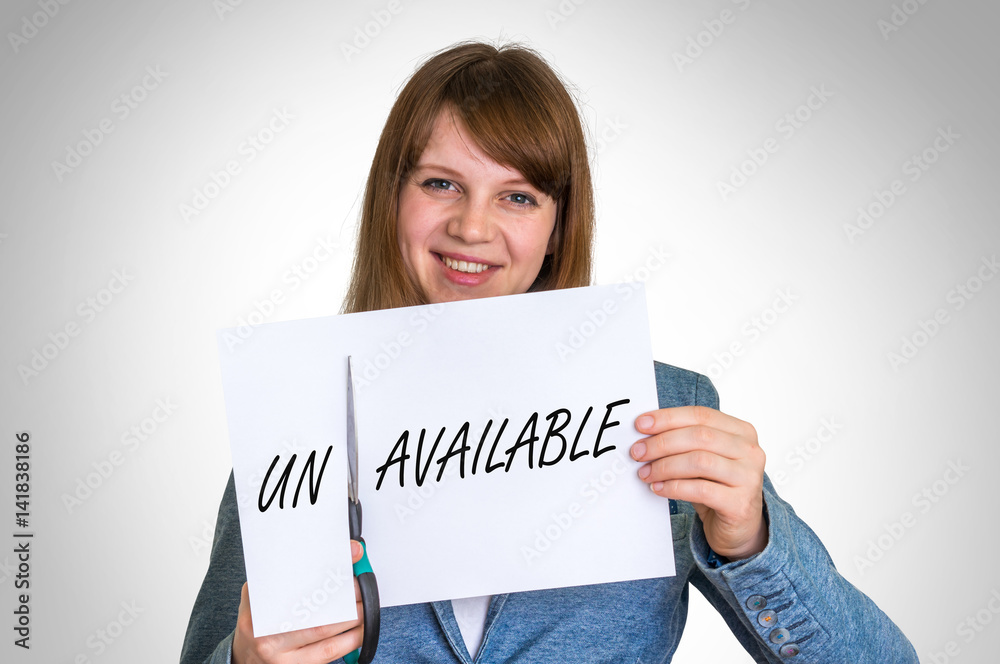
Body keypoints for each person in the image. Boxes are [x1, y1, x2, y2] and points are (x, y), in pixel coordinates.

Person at [180, 40, 918, 663]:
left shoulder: (661, 408)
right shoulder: (299, 425)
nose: (473, 228)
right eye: (441, 183)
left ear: (558, 228)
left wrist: (751, 538)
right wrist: (244, 660)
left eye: (518, 196)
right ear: (392, 200)